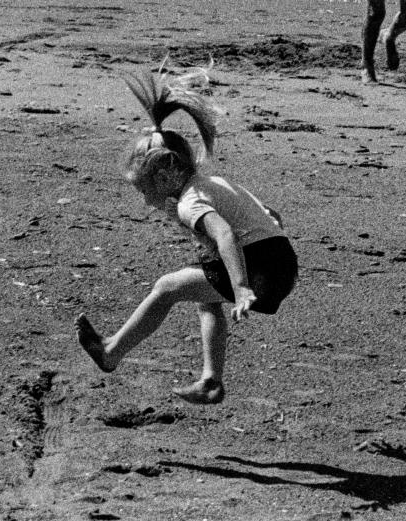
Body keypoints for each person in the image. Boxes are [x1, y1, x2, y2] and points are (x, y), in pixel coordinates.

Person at [75, 70, 298, 405]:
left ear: (165, 176)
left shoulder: (190, 202)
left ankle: (110, 352)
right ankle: (211, 380)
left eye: (144, 189)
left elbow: (224, 234)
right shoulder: (212, 183)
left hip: (259, 272)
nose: (145, 200)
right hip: (280, 262)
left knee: (167, 287)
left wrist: (241, 288)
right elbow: (271, 215)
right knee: (205, 296)